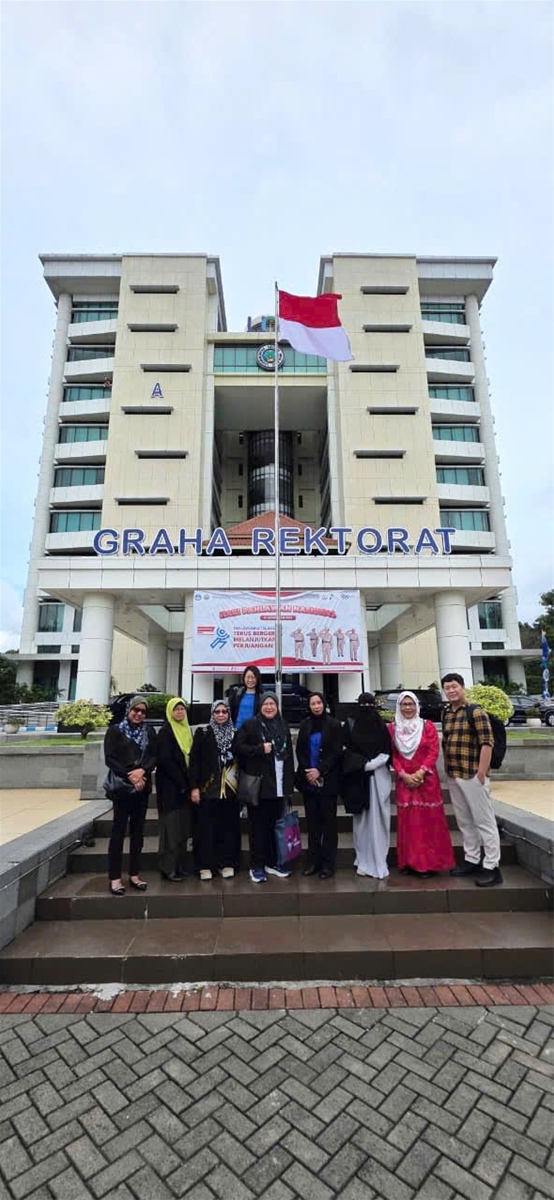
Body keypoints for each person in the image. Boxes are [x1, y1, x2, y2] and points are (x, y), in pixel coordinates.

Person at [441, 673, 502, 887]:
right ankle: (472, 859)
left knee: (484, 821)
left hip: (473, 774)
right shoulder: (447, 713)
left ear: (462, 687)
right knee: (465, 821)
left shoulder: (475, 711)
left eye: (454, 686)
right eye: (447, 688)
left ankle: (492, 866)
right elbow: (446, 741)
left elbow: (487, 742)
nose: (451, 691)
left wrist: (481, 773)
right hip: (454, 774)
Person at [389, 692, 455, 877]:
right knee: (408, 822)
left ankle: (428, 864)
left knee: (428, 822)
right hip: (404, 782)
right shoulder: (393, 728)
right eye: (404, 704)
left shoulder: (427, 726)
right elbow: (392, 754)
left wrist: (420, 773)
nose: (408, 708)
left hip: (426, 780)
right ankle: (409, 861)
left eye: (411, 704)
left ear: (417, 706)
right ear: (399, 707)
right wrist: (403, 774)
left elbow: (433, 751)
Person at [233, 692, 294, 883]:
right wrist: (259, 749)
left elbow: (289, 756)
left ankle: (272, 862)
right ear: (260, 706)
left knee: (275, 827)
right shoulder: (251, 725)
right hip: (260, 787)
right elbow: (238, 748)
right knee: (258, 828)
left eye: (272, 704)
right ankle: (257, 866)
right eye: (265, 704)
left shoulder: (282, 724)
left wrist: (289, 785)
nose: (269, 707)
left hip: (279, 786)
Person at [104, 696, 157, 895]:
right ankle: (115, 877)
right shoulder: (115, 731)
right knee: (118, 832)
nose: (139, 714)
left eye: (143, 711)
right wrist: (130, 776)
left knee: (138, 832)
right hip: (122, 788)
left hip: (142, 788)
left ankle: (134, 873)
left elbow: (154, 755)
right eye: (136, 710)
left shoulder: (148, 731)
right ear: (129, 710)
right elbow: (110, 758)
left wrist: (142, 771)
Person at [189, 700, 240, 880]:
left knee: (228, 828)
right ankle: (205, 865)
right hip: (208, 789)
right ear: (212, 714)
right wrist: (194, 787)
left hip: (230, 790)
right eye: (217, 712)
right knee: (206, 829)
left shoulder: (235, 734)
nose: (220, 715)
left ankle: (227, 863)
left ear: (229, 714)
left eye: (224, 712)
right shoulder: (203, 733)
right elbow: (194, 762)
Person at [342, 694, 392, 879]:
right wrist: (362, 764)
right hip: (357, 778)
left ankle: (379, 859)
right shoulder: (350, 724)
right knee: (361, 822)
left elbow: (387, 749)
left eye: (369, 704)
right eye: (363, 704)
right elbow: (345, 749)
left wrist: (376, 762)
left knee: (380, 820)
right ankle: (363, 859)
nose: (366, 707)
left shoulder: (381, 726)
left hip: (379, 778)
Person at [295, 692, 343, 879]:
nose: (316, 706)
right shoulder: (305, 724)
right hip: (309, 782)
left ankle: (328, 864)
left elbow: (337, 752)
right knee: (312, 824)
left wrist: (320, 770)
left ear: (324, 704)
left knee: (329, 825)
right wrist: (308, 772)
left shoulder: (334, 724)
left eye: (318, 702)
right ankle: (313, 862)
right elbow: (300, 750)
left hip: (328, 781)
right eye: (312, 703)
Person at [155, 698, 192, 881]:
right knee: (170, 830)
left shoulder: (186, 730)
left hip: (184, 789)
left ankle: (179, 866)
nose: (179, 712)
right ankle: (168, 868)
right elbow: (166, 761)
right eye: (176, 709)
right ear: (170, 712)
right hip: (170, 789)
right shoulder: (165, 732)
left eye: (182, 709)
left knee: (182, 829)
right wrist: (182, 782)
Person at [229, 665, 263, 729]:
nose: (250, 680)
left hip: (253, 731)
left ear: (257, 678)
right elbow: (230, 712)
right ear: (244, 678)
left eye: (253, 677)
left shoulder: (261, 696)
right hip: (237, 730)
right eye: (248, 677)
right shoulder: (237, 693)